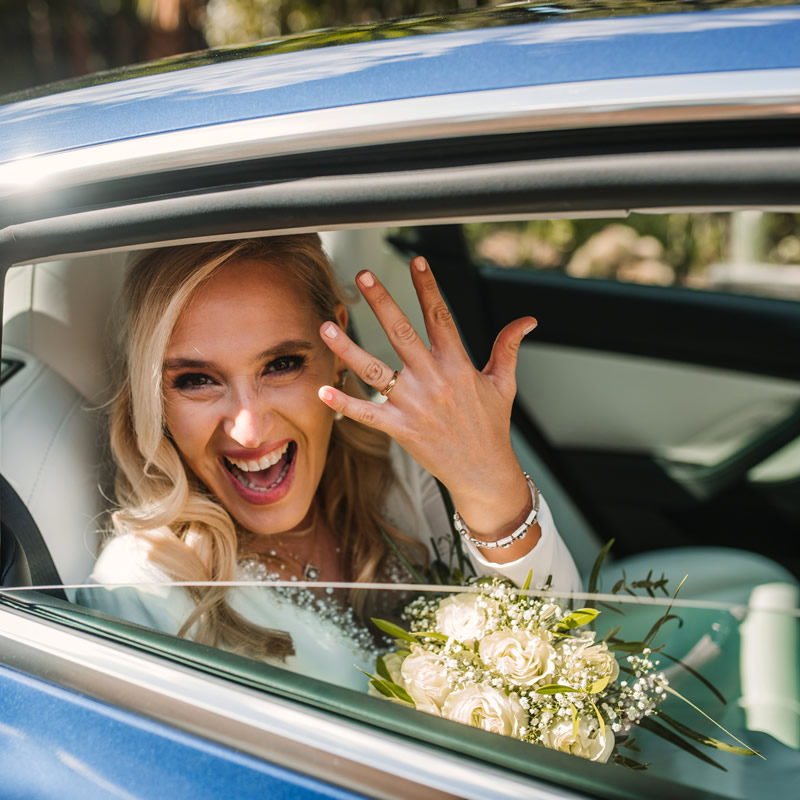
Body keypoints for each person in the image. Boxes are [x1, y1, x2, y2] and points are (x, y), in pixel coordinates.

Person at [78, 234, 581, 689]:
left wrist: (490, 482)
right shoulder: (141, 587)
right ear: (154, 394)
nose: (248, 430)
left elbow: (566, 655)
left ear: (337, 345)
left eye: (281, 365)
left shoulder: (401, 466)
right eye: (195, 380)